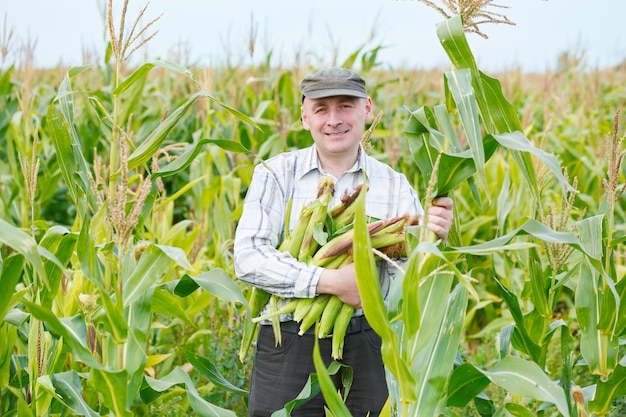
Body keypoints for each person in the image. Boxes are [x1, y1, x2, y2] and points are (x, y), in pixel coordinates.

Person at [233, 67, 454, 417]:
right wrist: (330, 281)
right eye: (321, 109)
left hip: (371, 340)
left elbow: (414, 281)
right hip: (289, 337)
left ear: (367, 109)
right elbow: (248, 257)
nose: (334, 119)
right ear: (305, 117)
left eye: (345, 106)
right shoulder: (275, 175)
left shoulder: (396, 186)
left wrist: (433, 238)